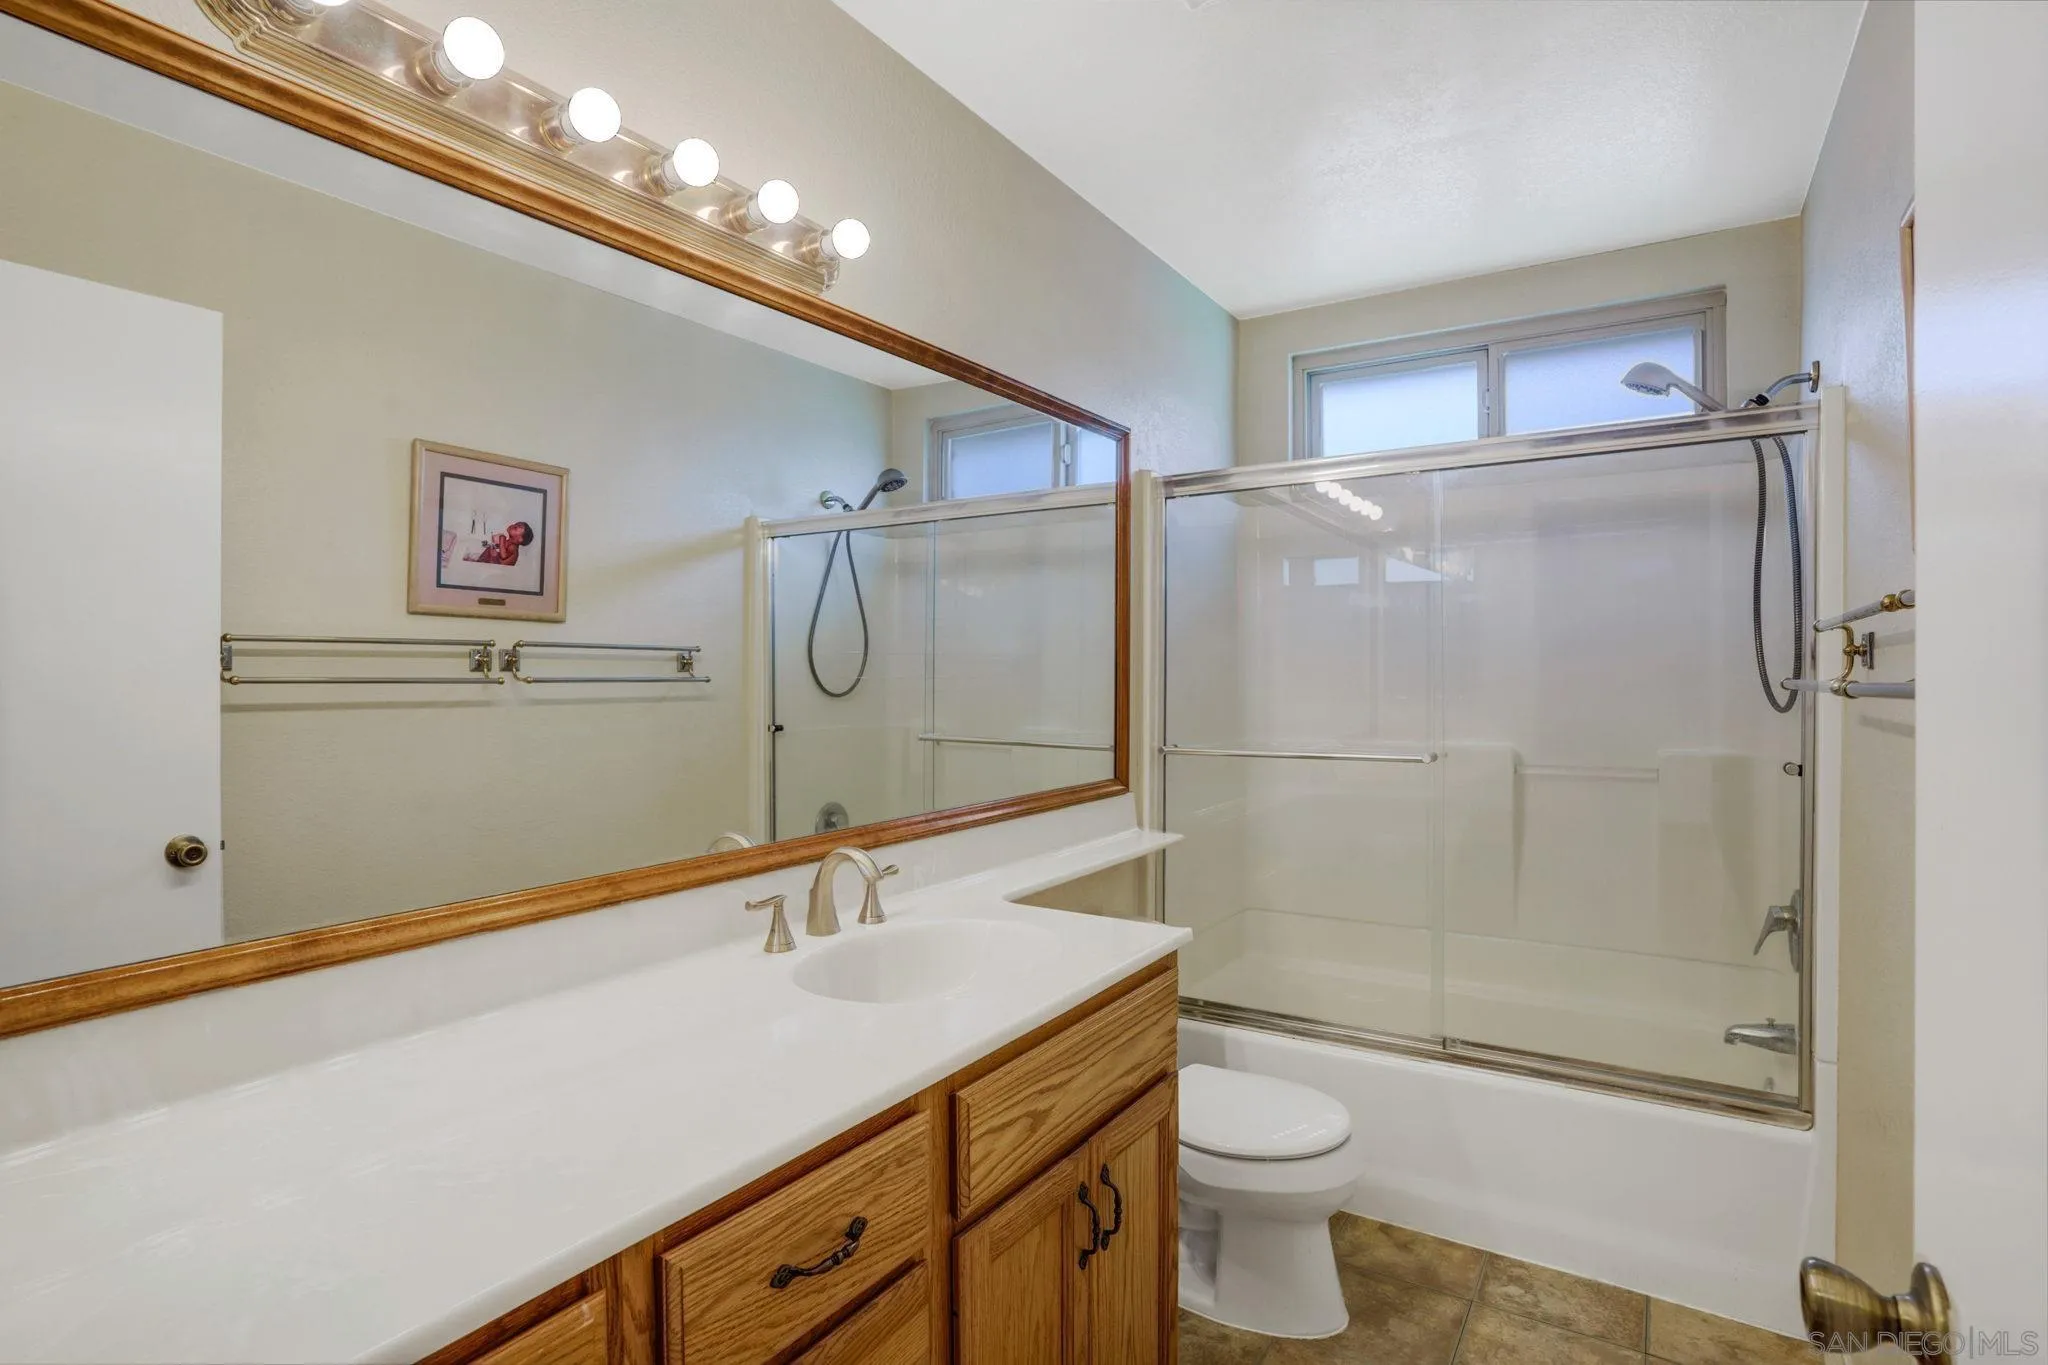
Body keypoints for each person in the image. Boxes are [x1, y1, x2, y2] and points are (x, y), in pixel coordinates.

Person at [463, 521, 534, 567]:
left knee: (490, 551)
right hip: (496, 563)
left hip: (499, 566)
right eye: (515, 524)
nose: (513, 525)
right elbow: (497, 547)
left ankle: (478, 562)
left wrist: (502, 539)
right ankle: (478, 561)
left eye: (515, 528)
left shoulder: (513, 547)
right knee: (489, 548)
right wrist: (488, 544)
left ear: (520, 539)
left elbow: (503, 556)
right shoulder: (509, 542)